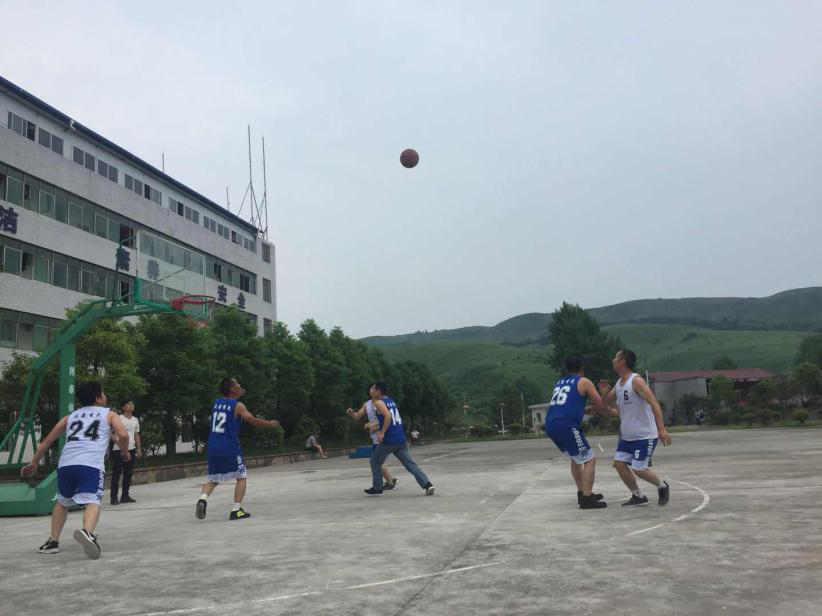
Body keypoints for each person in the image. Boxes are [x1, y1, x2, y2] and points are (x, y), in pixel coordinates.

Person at [21, 381, 130, 559]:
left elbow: (46, 442)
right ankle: (87, 532)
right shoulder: (109, 414)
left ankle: (53, 542)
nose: (105, 395)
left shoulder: (70, 417)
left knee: (62, 502)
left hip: (66, 464)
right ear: (98, 398)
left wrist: (34, 462)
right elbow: (123, 435)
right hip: (90, 464)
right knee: (93, 500)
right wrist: (125, 452)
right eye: (103, 393)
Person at [195, 377, 280, 521]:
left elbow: (230, 399)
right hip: (229, 447)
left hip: (213, 446)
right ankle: (236, 510)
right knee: (241, 477)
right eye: (237, 384)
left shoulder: (217, 402)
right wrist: (270, 424)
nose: (240, 385)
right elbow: (252, 420)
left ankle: (202, 499)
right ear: (232, 389)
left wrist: (239, 392)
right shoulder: (238, 406)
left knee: (213, 478)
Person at [600, 349, 673, 507]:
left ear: (622, 362)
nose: (613, 360)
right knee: (619, 464)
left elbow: (654, 403)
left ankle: (662, 486)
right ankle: (638, 496)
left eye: (616, 358)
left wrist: (661, 429)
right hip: (627, 437)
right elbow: (606, 405)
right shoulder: (619, 384)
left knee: (639, 469)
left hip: (644, 436)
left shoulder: (636, 381)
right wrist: (604, 394)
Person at [544, 356, 610, 509]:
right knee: (589, 460)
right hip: (567, 425)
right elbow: (602, 405)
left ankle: (582, 492)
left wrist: (585, 410)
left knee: (576, 458)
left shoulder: (560, 382)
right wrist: (605, 393)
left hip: (551, 424)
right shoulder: (584, 381)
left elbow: (566, 405)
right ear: (582, 369)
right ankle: (587, 498)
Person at [365, 381, 434, 496]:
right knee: (410, 464)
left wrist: (382, 433)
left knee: (374, 461)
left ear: (378, 391)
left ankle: (377, 488)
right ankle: (427, 484)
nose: (371, 390)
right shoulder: (391, 401)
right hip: (400, 439)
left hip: (389, 440)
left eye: (373, 388)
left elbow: (388, 416)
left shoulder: (378, 402)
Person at [346, 398, 398, 489]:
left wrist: (370, 425)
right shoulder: (367, 404)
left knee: (378, 463)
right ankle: (389, 480)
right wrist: (351, 413)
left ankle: (387, 484)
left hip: (384, 438)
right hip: (376, 439)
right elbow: (357, 416)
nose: (372, 391)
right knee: (377, 463)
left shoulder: (384, 402)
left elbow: (388, 418)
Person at [110, 400, 141, 505]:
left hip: (131, 449)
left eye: (132, 404)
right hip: (118, 449)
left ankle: (125, 496)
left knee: (128, 473)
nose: (131, 406)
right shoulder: (118, 418)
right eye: (129, 404)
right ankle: (114, 497)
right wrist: (117, 440)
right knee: (117, 473)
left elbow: (136, 434)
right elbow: (110, 432)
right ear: (123, 407)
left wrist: (138, 449)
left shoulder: (135, 420)